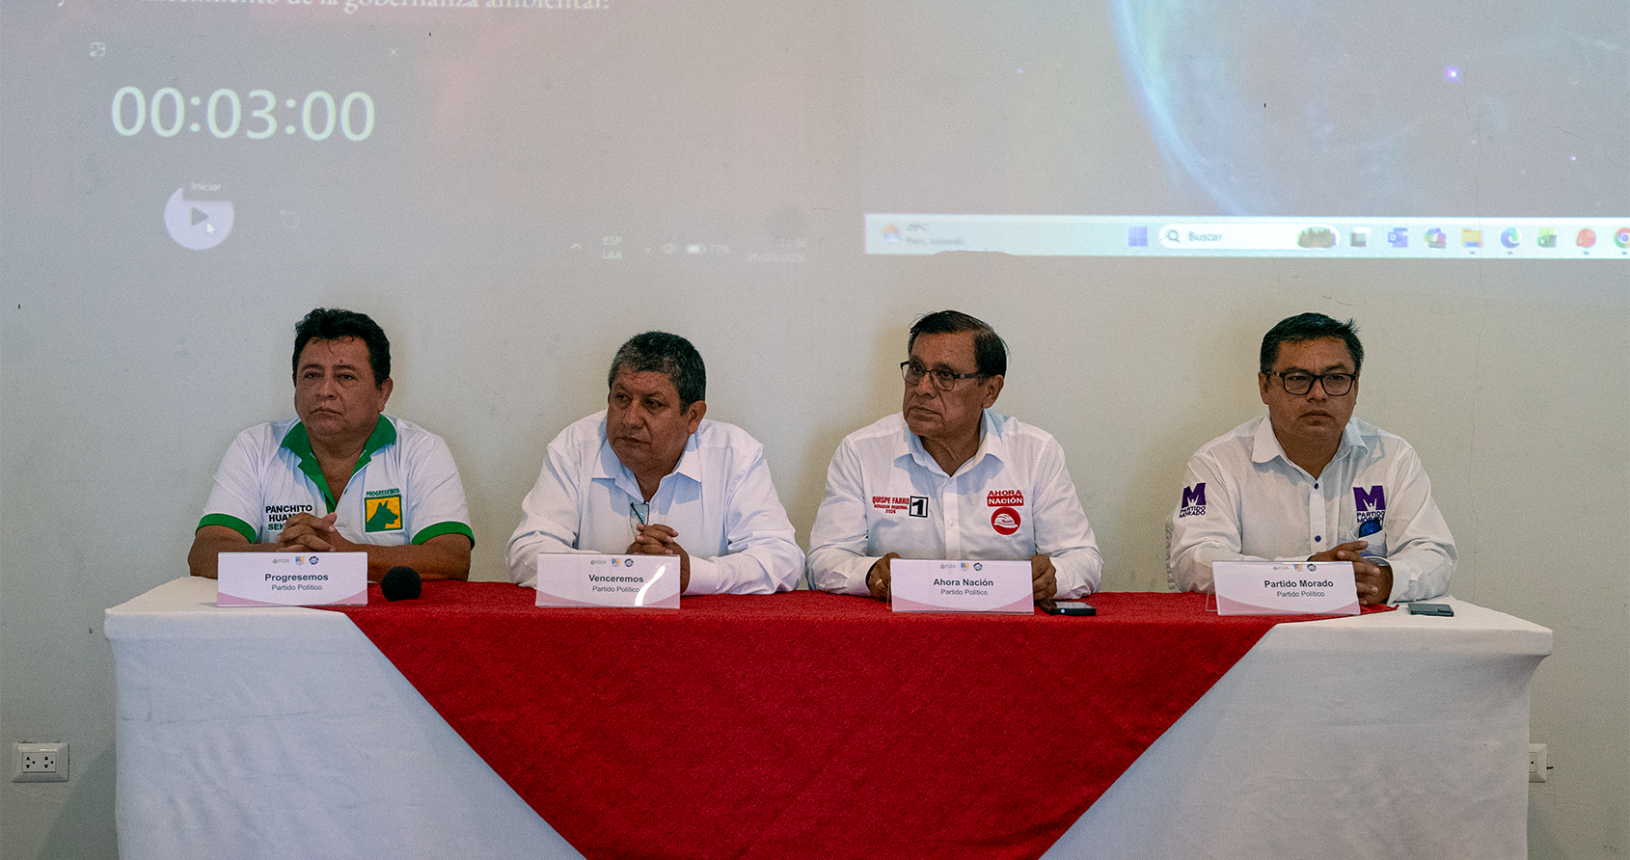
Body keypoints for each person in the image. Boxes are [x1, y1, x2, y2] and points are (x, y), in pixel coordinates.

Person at [806, 310, 1102, 604]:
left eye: (945, 375)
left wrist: (1052, 577)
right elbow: (824, 559)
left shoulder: (1034, 452)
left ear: (990, 391)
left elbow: (1083, 559)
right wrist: (869, 573)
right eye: (916, 370)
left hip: (1006, 628)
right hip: (898, 628)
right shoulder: (862, 451)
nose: (922, 389)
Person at [1167, 312, 1456, 606]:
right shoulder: (1217, 462)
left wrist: (1385, 580)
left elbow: (1435, 554)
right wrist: (1304, 573)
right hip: (1262, 631)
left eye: (1336, 379)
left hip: (1369, 630)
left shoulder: (1392, 457)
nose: (1318, 394)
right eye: (1298, 379)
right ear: (1265, 387)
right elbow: (1194, 561)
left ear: (1355, 387)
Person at [188, 308, 474, 582]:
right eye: (312, 375)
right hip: (283, 614)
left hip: (385, 616)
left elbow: (451, 558)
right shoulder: (254, 447)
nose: (324, 391)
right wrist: (287, 555)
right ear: (295, 384)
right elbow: (204, 554)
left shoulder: (422, 451)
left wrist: (344, 555)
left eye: (345, 376)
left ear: (382, 392)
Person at [506, 331, 803, 594]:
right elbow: (526, 553)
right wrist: (618, 571)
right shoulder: (574, 449)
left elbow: (782, 560)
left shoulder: (735, 455)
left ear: (693, 416)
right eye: (621, 398)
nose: (630, 419)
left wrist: (692, 575)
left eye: (652, 404)